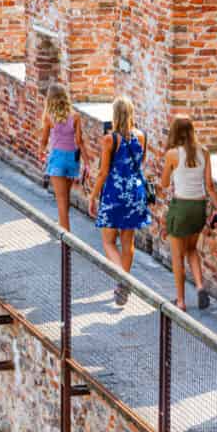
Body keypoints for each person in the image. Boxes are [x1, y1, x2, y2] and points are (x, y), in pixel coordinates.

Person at [89, 96, 151, 306]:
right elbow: (140, 163)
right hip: (135, 192)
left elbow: (103, 171)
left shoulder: (110, 139)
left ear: (115, 115)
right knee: (128, 242)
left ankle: (123, 281)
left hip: (114, 193)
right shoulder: (141, 136)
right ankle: (123, 283)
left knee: (107, 241)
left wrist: (93, 195)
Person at [159, 115, 217, 312]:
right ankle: (201, 286)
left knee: (178, 257)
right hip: (199, 207)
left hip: (181, 206)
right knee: (192, 249)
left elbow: (165, 183)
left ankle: (180, 301)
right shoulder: (205, 152)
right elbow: (209, 186)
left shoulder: (172, 154)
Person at [39, 82, 90, 231]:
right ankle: (63, 225)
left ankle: (65, 237)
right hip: (72, 159)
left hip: (57, 160)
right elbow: (80, 141)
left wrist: (41, 152)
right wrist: (86, 163)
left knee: (61, 200)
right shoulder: (75, 117)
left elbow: (44, 140)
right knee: (66, 197)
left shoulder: (49, 117)